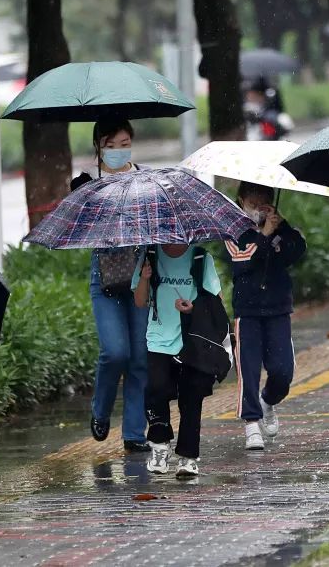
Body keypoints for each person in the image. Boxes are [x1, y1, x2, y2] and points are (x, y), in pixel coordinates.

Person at [73, 119, 151, 453]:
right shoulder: (86, 182)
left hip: (140, 275)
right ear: (98, 147)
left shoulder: (147, 179)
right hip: (104, 276)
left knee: (140, 357)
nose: (118, 152)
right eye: (111, 145)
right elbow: (76, 226)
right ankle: (100, 409)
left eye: (124, 144)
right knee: (116, 351)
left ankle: (134, 433)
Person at [132, 243, 224, 478]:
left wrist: (194, 309)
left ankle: (189, 457)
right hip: (158, 339)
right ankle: (160, 446)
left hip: (192, 342)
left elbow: (216, 301)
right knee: (156, 389)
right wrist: (144, 277)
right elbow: (140, 301)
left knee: (191, 398)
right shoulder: (149, 254)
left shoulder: (201, 257)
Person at [226, 182, 306, 451]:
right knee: (248, 369)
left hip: (278, 309)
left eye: (264, 198)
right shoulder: (233, 229)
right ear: (241, 199)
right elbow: (243, 260)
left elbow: (297, 251)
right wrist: (264, 235)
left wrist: (280, 227)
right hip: (247, 312)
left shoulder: (279, 227)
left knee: (283, 371)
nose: (257, 204)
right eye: (252, 198)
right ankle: (251, 423)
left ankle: (268, 401)